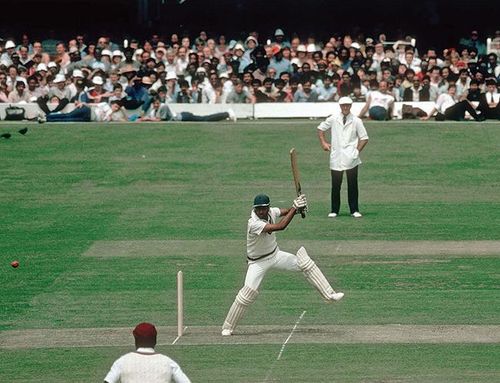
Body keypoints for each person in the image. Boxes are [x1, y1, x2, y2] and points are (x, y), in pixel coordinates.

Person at [221, 193, 344, 336]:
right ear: (254, 209)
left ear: (267, 207)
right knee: (246, 295)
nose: (261, 212)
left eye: (263, 209)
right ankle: (228, 327)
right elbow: (281, 226)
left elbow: (284, 212)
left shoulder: (271, 211)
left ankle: (329, 295)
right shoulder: (253, 223)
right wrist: (294, 207)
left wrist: (299, 208)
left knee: (305, 263)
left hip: (275, 255)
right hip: (257, 263)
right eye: (258, 209)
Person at [317, 97, 369, 218]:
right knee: (335, 185)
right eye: (343, 105)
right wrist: (323, 143)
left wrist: (357, 151)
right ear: (340, 106)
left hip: (351, 157)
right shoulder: (334, 118)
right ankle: (334, 210)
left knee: (352, 185)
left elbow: (364, 138)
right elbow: (320, 128)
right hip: (336, 156)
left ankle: (354, 210)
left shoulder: (356, 120)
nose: (345, 107)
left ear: (351, 106)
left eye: (347, 105)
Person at [104, 322, 191, 383]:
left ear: (135, 340)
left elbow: (108, 381)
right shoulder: (168, 362)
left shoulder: (122, 362)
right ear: (155, 340)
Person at [421, 84, 485, 122]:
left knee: (463, 103)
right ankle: (477, 117)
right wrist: (428, 117)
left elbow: (461, 107)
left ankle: (463, 118)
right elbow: (436, 107)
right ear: (448, 90)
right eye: (451, 90)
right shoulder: (443, 95)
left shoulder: (455, 99)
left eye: (454, 90)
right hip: (447, 112)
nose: (453, 91)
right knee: (463, 102)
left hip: (454, 114)